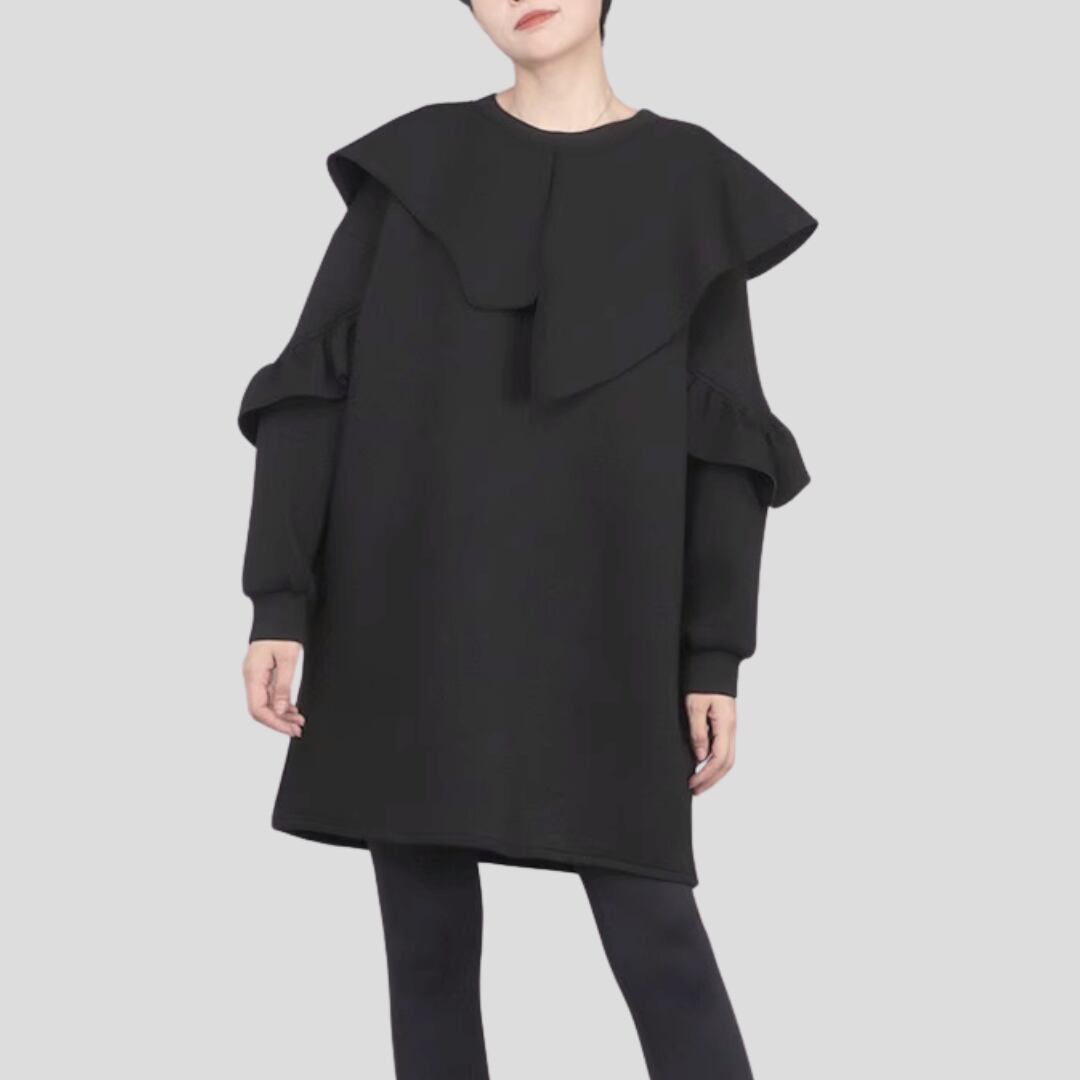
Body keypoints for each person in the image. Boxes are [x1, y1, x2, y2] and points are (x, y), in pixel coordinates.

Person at [236, 1, 818, 1076]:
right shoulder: (415, 168)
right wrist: (281, 600)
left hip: (610, 622)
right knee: (427, 949)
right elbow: (314, 390)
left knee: (660, 945)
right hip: (409, 610)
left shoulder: (691, 184)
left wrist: (712, 655)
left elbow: (725, 442)